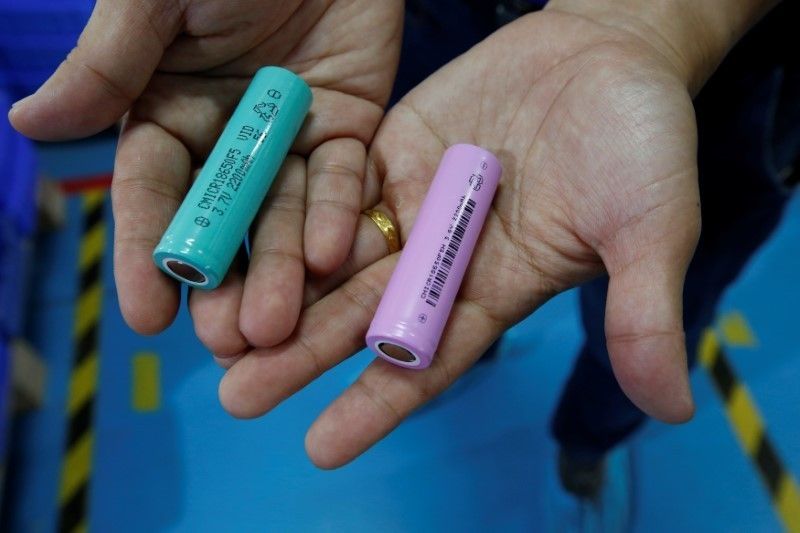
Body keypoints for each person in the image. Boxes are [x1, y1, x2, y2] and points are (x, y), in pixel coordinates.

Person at [8, 0, 796, 527]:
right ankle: (466, 353)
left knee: (646, 317)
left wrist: (658, 19)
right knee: (428, 244)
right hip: (430, 20)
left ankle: (585, 448)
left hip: (722, 77)